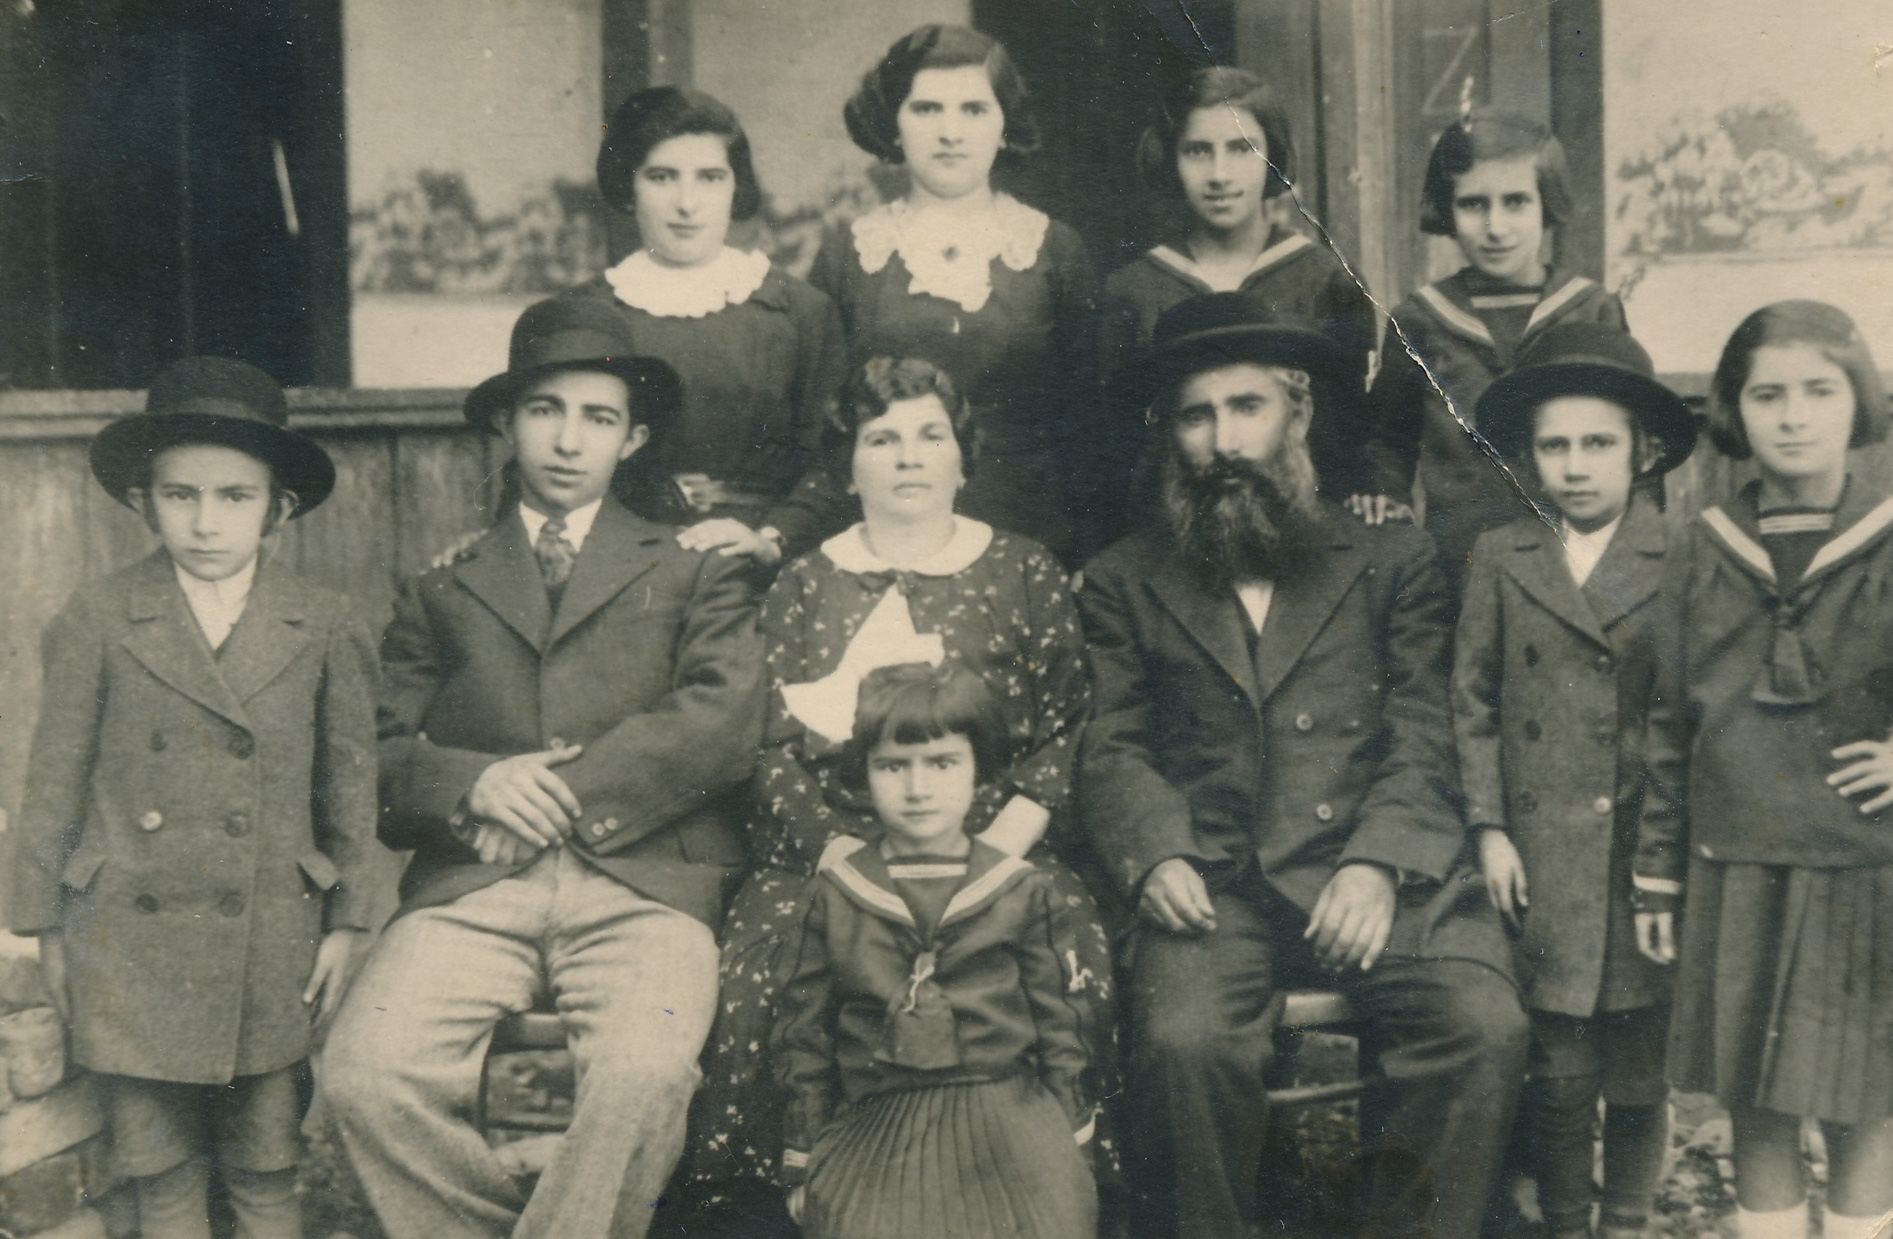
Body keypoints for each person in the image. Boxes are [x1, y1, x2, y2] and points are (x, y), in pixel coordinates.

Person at [1079, 292, 1527, 1239]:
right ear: (1170, 435)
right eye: (1196, 416)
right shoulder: (1124, 577)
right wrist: (1156, 852)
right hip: (1214, 880)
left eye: (1247, 407)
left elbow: (1426, 725)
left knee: (1479, 1025)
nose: (1224, 441)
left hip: (1369, 864)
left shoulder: (1390, 555)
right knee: (1183, 1043)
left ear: (1298, 411)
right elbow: (1111, 741)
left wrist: (1380, 861)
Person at [321, 297, 765, 1239]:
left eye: (598, 417)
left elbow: (723, 722)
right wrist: (474, 784)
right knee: (363, 1074)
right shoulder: (443, 582)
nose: (569, 440)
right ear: (506, 423)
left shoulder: (691, 564)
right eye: (545, 410)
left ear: (633, 438)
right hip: (476, 883)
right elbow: (374, 752)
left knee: (642, 1074)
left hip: (646, 880)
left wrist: (552, 794)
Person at [1631, 301, 1893, 1239]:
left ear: (1858, 400)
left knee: (1857, 1106)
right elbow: (1667, 717)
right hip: (1733, 864)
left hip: (1852, 866)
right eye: (1767, 394)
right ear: (1735, 410)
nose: (1793, 416)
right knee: (1756, 1102)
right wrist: (1656, 870)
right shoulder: (1701, 541)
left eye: (1819, 391)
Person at [684, 355, 1115, 1219]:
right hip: (832, 854)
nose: (909, 456)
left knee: (1068, 950)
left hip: (996, 846)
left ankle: (1026, 1197)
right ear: (848, 466)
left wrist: (1001, 848)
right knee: (762, 977)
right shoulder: (805, 582)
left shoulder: (1022, 571)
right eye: (881, 439)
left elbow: (1069, 723)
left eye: (930, 435)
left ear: (964, 457)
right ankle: (778, 1209)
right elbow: (766, 742)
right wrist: (839, 852)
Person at [8, 356, 378, 1239]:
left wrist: (348, 919)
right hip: (127, 939)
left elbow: (350, 787)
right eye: (181, 495)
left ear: (279, 507)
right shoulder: (99, 616)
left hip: (271, 935)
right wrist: (45, 923)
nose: (206, 522)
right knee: (162, 1174)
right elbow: (52, 782)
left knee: (265, 1171)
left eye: (235, 497)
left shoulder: (323, 621)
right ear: (145, 502)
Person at [1454, 323, 1698, 1239]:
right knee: (1557, 1067)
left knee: (1638, 1066)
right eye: (1554, 446)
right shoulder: (1501, 554)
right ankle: (1565, 1221)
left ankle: (1626, 1220)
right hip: (1539, 849)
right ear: (1529, 457)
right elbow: (1472, 701)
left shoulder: (1681, 558)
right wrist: (1489, 827)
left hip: (1641, 852)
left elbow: (1685, 720)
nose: (1576, 465)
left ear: (1646, 450)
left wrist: (1666, 860)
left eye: (1599, 443)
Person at [775, 662, 1098, 1239]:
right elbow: (806, 1040)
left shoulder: (1021, 890)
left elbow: (1062, 1030)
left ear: (979, 769)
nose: (918, 789)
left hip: (1009, 1116)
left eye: (943, 763)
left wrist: (1072, 1147)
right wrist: (804, 1162)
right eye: (892, 766)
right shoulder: (835, 895)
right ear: (864, 772)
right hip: (879, 1122)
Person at [812, 23, 1099, 564]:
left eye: (974, 109)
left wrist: (1085, 558)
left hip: (1030, 534)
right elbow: (821, 421)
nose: (950, 132)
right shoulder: (850, 253)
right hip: (884, 533)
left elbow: (1089, 425)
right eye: (926, 109)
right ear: (894, 124)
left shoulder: (1053, 249)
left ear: (1004, 125)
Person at [1100, 66, 1385, 546]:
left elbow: (1357, 428)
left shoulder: (1326, 279)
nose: (1219, 175)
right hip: (1172, 535)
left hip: (1305, 533)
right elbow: (1114, 444)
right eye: (1198, 151)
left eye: (1242, 148)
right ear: (1170, 159)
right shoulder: (1133, 290)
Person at [567, 85, 849, 566]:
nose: (687, 203)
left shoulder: (801, 313)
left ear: (735, 187)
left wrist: (772, 538)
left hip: (765, 561)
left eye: (710, 178)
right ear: (628, 187)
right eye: (661, 177)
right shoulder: (584, 315)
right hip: (616, 560)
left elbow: (834, 460)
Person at [1357, 108, 1628, 596]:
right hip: (1458, 565)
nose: (1496, 226)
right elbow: (1387, 443)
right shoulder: (1420, 319)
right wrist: (1384, 496)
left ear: (1547, 204)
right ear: (1448, 210)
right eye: (1474, 204)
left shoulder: (1591, 310)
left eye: (1516, 202)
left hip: (1577, 562)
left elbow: (1633, 443)